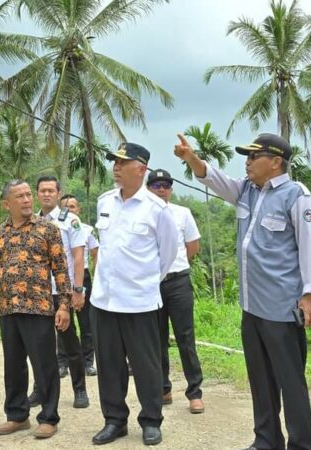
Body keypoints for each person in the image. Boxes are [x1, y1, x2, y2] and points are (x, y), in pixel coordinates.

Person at [174, 132, 311, 450]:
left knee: (290, 382)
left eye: (253, 156)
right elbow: (212, 178)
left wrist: (310, 295)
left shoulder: (297, 196)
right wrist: (191, 159)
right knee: (261, 379)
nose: (247, 161)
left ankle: (302, 444)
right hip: (252, 307)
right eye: (247, 156)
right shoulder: (246, 191)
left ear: (275, 162)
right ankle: (267, 440)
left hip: (282, 308)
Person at [89, 142, 178, 446]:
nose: (115, 166)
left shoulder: (157, 209)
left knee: (146, 366)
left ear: (141, 169)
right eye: (114, 161)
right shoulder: (105, 202)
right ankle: (115, 420)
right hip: (103, 301)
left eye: (122, 162)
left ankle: (151, 421)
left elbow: (166, 258)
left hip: (139, 302)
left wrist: (144, 283)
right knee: (110, 366)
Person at [0, 179, 72, 440]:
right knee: (14, 366)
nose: (27, 200)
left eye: (28, 194)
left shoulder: (47, 229)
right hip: (8, 309)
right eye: (19, 196)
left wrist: (64, 305)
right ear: (6, 204)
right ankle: (17, 416)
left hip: (39, 308)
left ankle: (48, 418)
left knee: (45, 365)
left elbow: (61, 270)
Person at [25, 176, 89, 409]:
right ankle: (39, 390)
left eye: (51, 190)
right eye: (42, 190)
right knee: (39, 345)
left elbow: (78, 256)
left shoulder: (70, 220)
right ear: (37, 193)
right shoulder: (30, 222)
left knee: (70, 343)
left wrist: (78, 289)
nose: (46, 194)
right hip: (38, 292)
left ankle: (80, 389)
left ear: (58, 193)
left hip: (62, 291)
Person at [145, 168, 205, 414]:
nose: (161, 189)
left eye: (166, 185)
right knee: (156, 339)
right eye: (156, 185)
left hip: (178, 282)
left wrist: (175, 265)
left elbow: (193, 246)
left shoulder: (182, 213)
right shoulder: (142, 213)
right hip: (151, 284)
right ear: (148, 188)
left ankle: (194, 392)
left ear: (171, 189)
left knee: (185, 338)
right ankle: (163, 388)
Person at [59, 193, 99, 376]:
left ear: (79, 209)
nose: (69, 210)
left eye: (72, 207)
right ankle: (63, 362)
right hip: (61, 279)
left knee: (86, 323)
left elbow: (95, 254)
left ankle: (88, 362)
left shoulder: (87, 230)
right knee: (62, 323)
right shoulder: (55, 227)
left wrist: (97, 279)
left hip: (82, 279)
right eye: (65, 207)